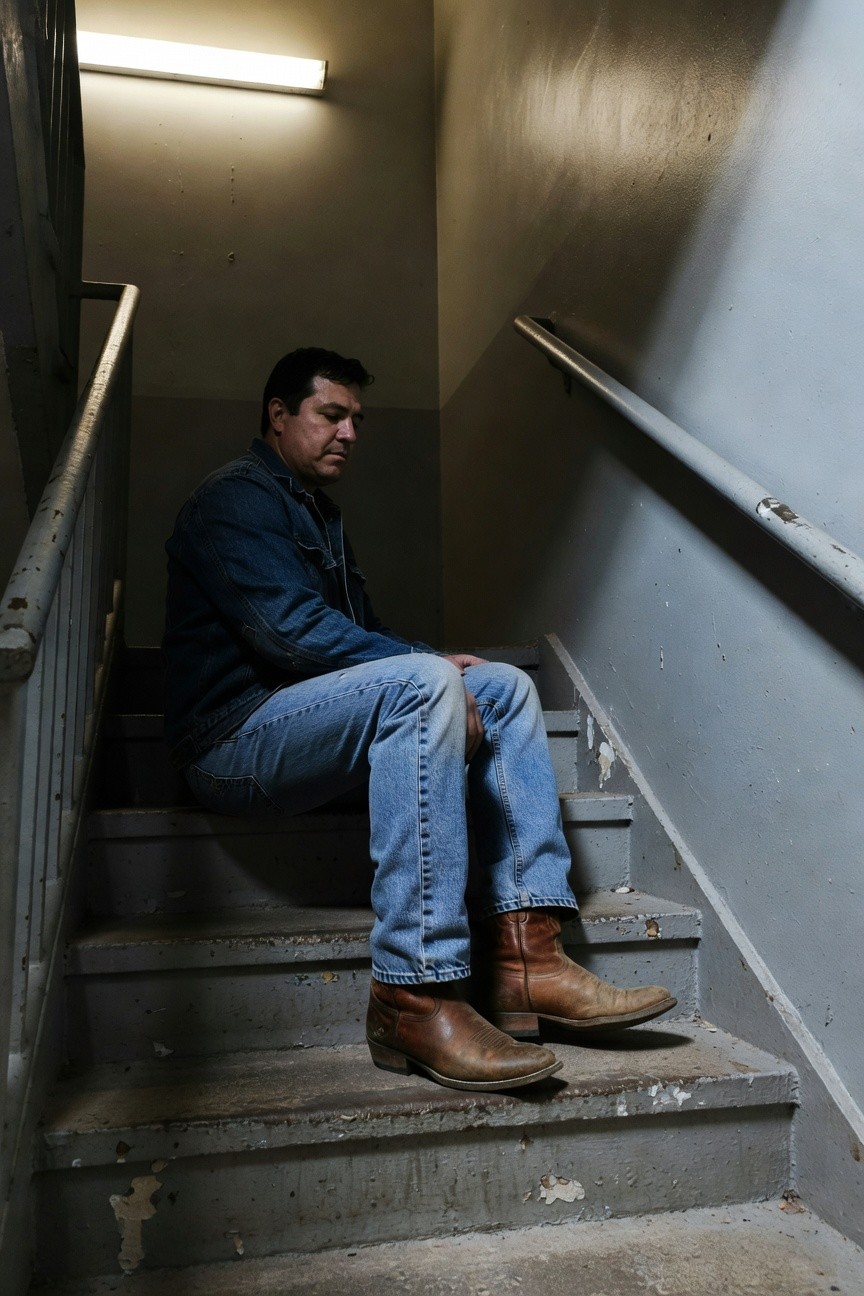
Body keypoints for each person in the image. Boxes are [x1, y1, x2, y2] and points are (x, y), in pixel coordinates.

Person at [163, 347, 676, 1093]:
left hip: (307, 737)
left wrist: (437, 677)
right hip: (234, 740)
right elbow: (287, 634)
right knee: (431, 678)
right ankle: (414, 992)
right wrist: (427, 671)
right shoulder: (233, 500)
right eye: (331, 415)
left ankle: (526, 958)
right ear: (278, 417)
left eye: (357, 421)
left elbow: (366, 658)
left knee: (499, 683)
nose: (349, 433)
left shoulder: (323, 518)